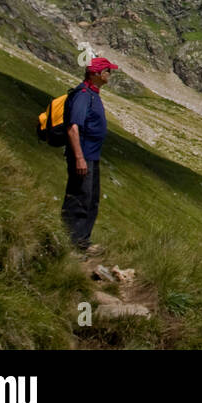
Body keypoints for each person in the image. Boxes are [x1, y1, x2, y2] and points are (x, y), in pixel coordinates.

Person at [61, 57, 119, 256]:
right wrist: (79, 157)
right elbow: (72, 127)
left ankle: (82, 241)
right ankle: (71, 243)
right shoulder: (83, 95)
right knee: (79, 197)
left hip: (91, 156)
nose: (109, 75)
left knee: (91, 198)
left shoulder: (93, 94)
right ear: (96, 74)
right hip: (83, 156)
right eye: (107, 71)